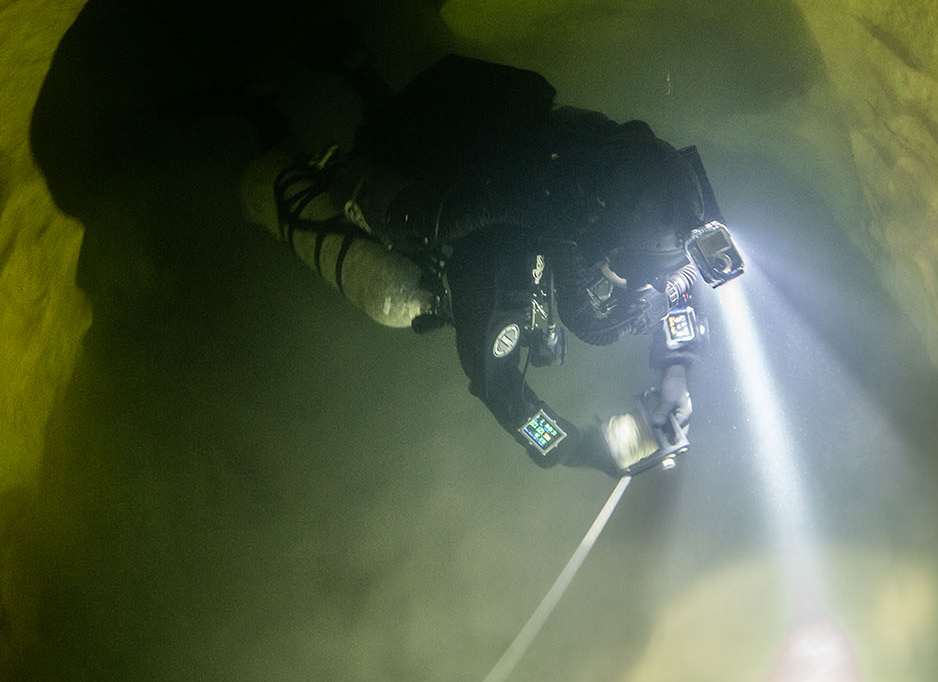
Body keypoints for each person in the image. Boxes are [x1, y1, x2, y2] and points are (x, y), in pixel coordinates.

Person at [242, 53, 743, 477]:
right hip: (442, 205)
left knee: (398, 123)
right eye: (640, 276)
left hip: (466, 145)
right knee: (389, 266)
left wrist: (676, 376)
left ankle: (356, 70)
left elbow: (676, 283)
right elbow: (503, 393)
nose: (648, 290)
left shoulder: (605, 175)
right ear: (599, 244)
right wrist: (592, 450)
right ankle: (264, 118)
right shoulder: (502, 273)